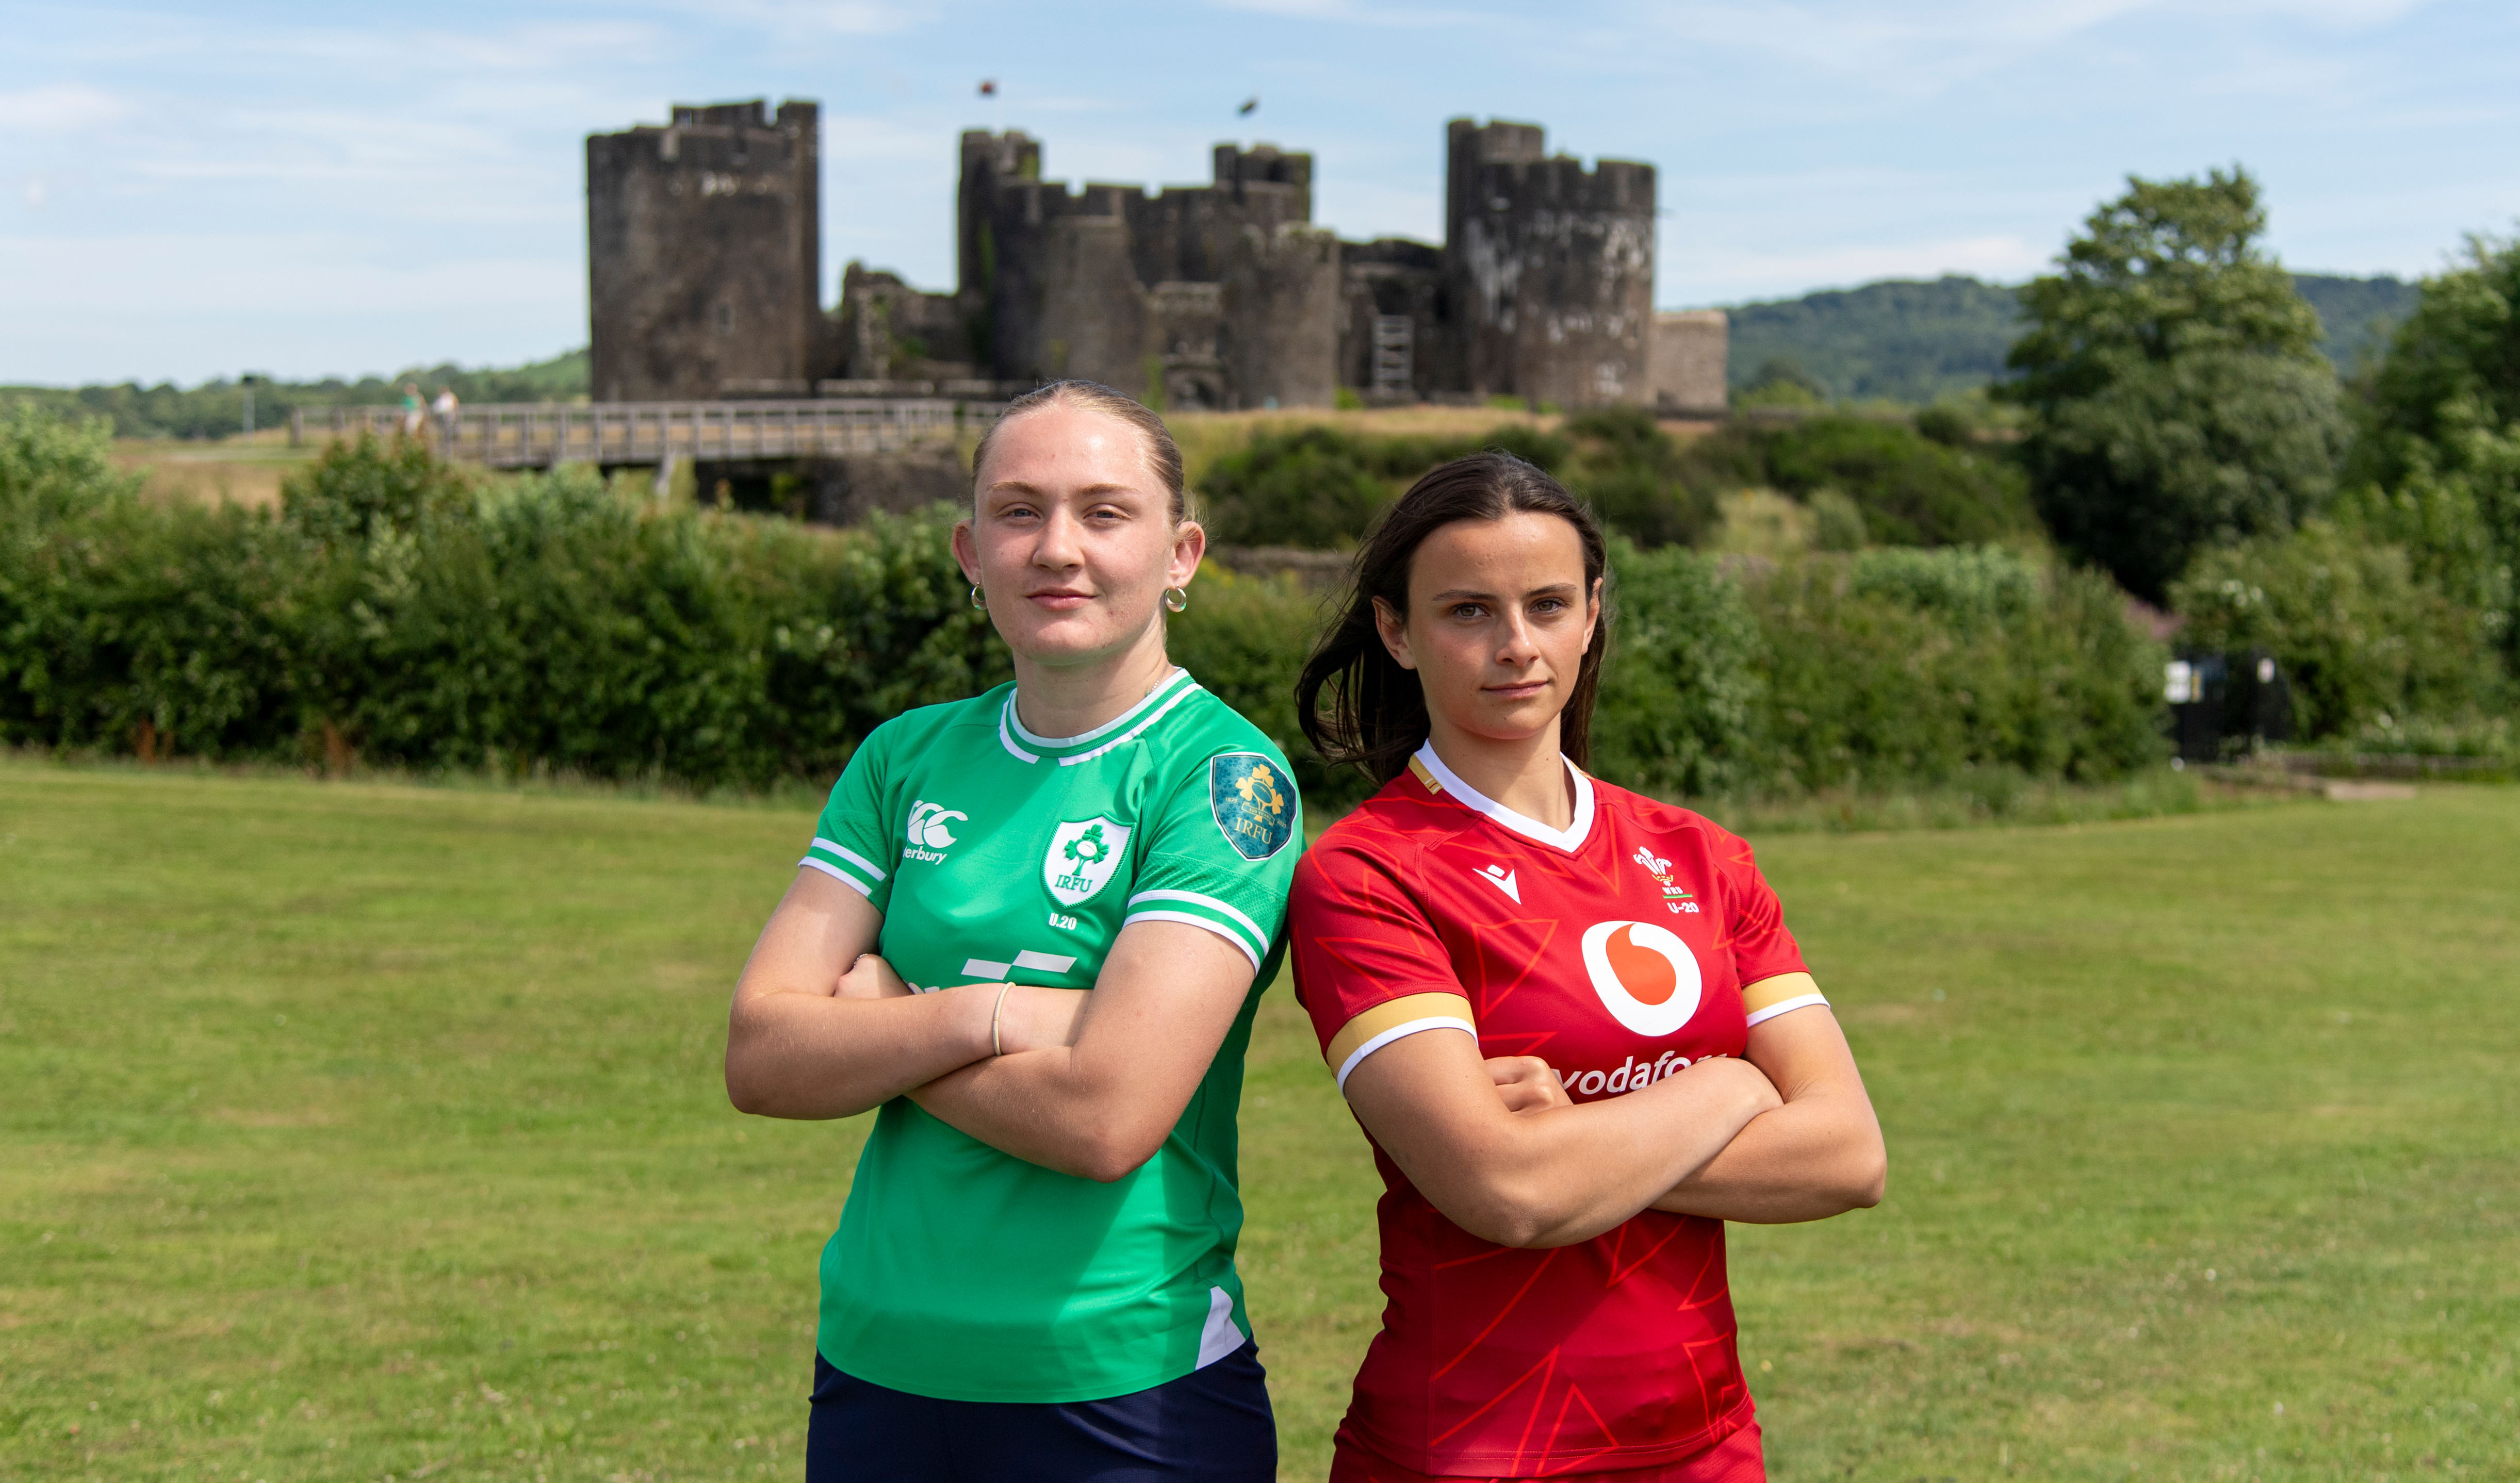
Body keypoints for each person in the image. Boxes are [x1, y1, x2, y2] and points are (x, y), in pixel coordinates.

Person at [725, 380, 1300, 1483]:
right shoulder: (903, 758)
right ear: (969, 549)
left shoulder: (1224, 776)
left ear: (1181, 555)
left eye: (1105, 511)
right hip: (878, 1357)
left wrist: (894, 1021)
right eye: (1020, 511)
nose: (1058, 548)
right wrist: (1000, 1018)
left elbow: (1107, 1118)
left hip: (1121, 1379)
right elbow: (761, 1053)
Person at [1286, 453, 1887, 1483]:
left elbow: (1846, 1154)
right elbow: (1507, 1191)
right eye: (1467, 611)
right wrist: (1735, 1085)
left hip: (1705, 1442)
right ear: (1395, 631)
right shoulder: (1364, 874)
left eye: (1548, 604)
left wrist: (1582, 1145)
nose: (1515, 645)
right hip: (1473, 1445)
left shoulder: (1703, 855)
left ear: (1593, 612)